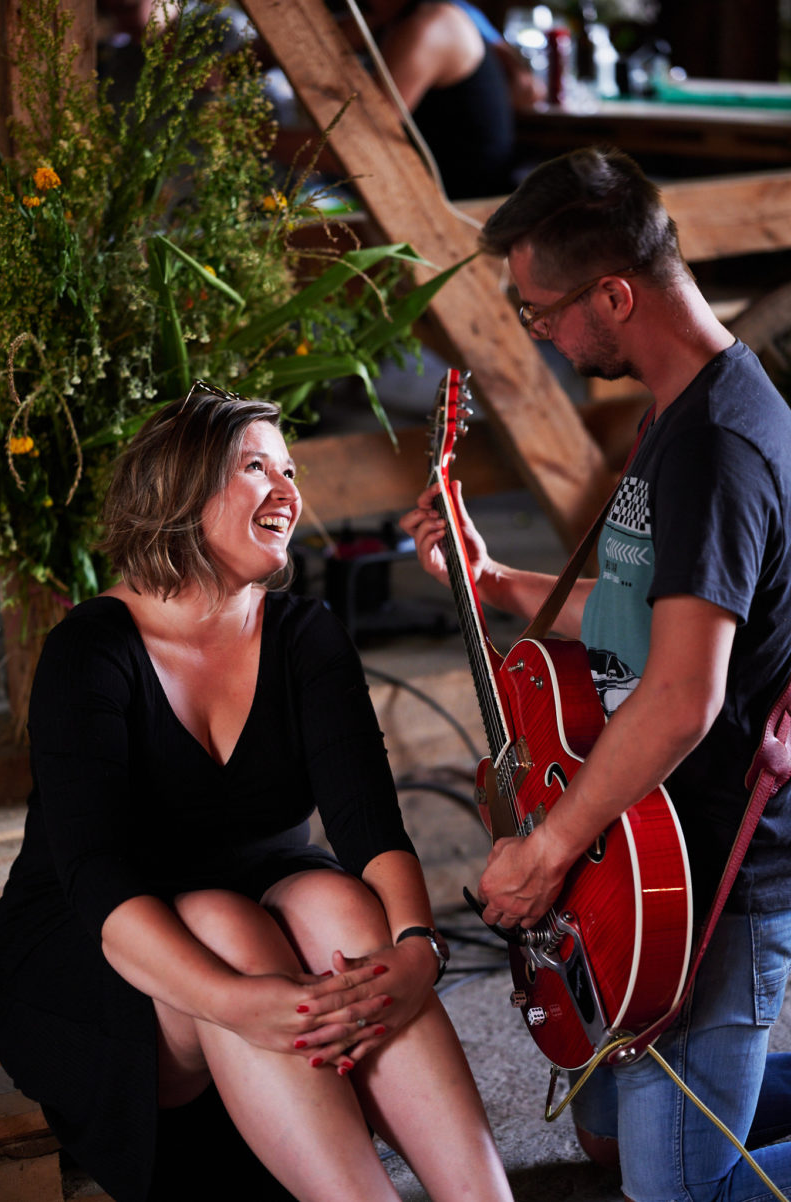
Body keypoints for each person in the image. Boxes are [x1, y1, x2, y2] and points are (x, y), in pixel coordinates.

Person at [0, 381, 516, 1202]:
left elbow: (370, 827)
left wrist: (419, 948)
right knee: (221, 918)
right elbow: (99, 884)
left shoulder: (307, 635)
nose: (288, 491)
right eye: (256, 468)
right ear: (182, 488)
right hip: (106, 955)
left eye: (290, 470)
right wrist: (236, 1004)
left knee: (335, 900)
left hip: (268, 928)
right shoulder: (89, 652)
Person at [400, 147, 791, 1201]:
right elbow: (636, 613)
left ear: (614, 295)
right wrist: (493, 579)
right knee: (609, 1141)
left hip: (712, 871)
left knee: (677, 1193)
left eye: (540, 312)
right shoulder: (676, 409)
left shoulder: (716, 444)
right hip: (651, 836)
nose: (537, 333)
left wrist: (547, 848)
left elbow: (682, 696)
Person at [354, 0, 542, 200]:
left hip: (460, 205)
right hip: (421, 196)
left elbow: (362, 136)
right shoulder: (389, 19)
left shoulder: (432, 24)